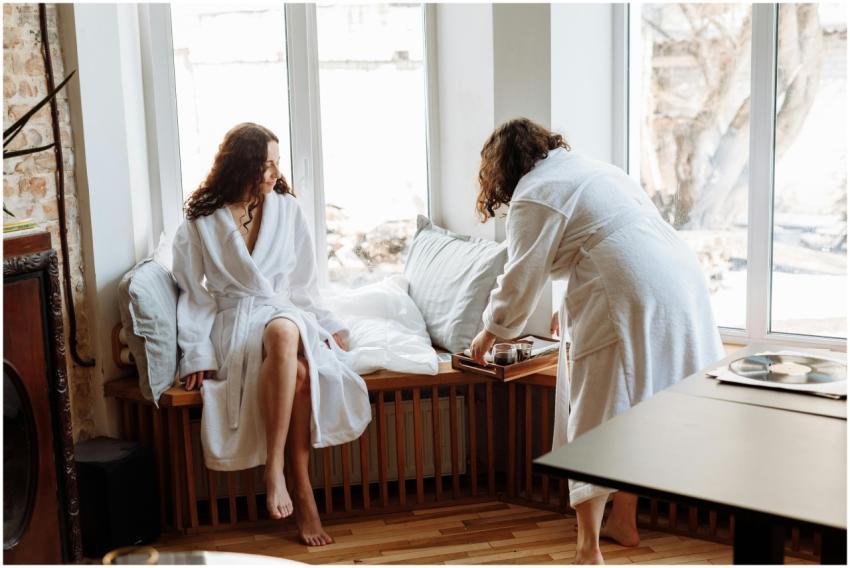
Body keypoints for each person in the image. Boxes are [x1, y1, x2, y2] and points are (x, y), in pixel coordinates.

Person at [469, 118, 724, 564]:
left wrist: (489, 331)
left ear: (502, 171)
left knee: (598, 416)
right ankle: (625, 520)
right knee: (642, 406)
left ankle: (588, 547)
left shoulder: (534, 194)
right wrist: (566, 304)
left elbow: (520, 278)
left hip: (627, 288)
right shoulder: (595, 170)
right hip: (678, 277)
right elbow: (603, 238)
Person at [172, 122, 371, 546]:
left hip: (280, 311)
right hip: (234, 322)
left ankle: (274, 468)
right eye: (265, 164)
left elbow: (303, 285)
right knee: (298, 375)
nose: (274, 173)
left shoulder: (286, 208)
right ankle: (301, 486)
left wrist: (329, 323)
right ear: (240, 164)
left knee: (283, 333)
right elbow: (194, 295)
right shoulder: (200, 221)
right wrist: (196, 353)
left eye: (277, 163)